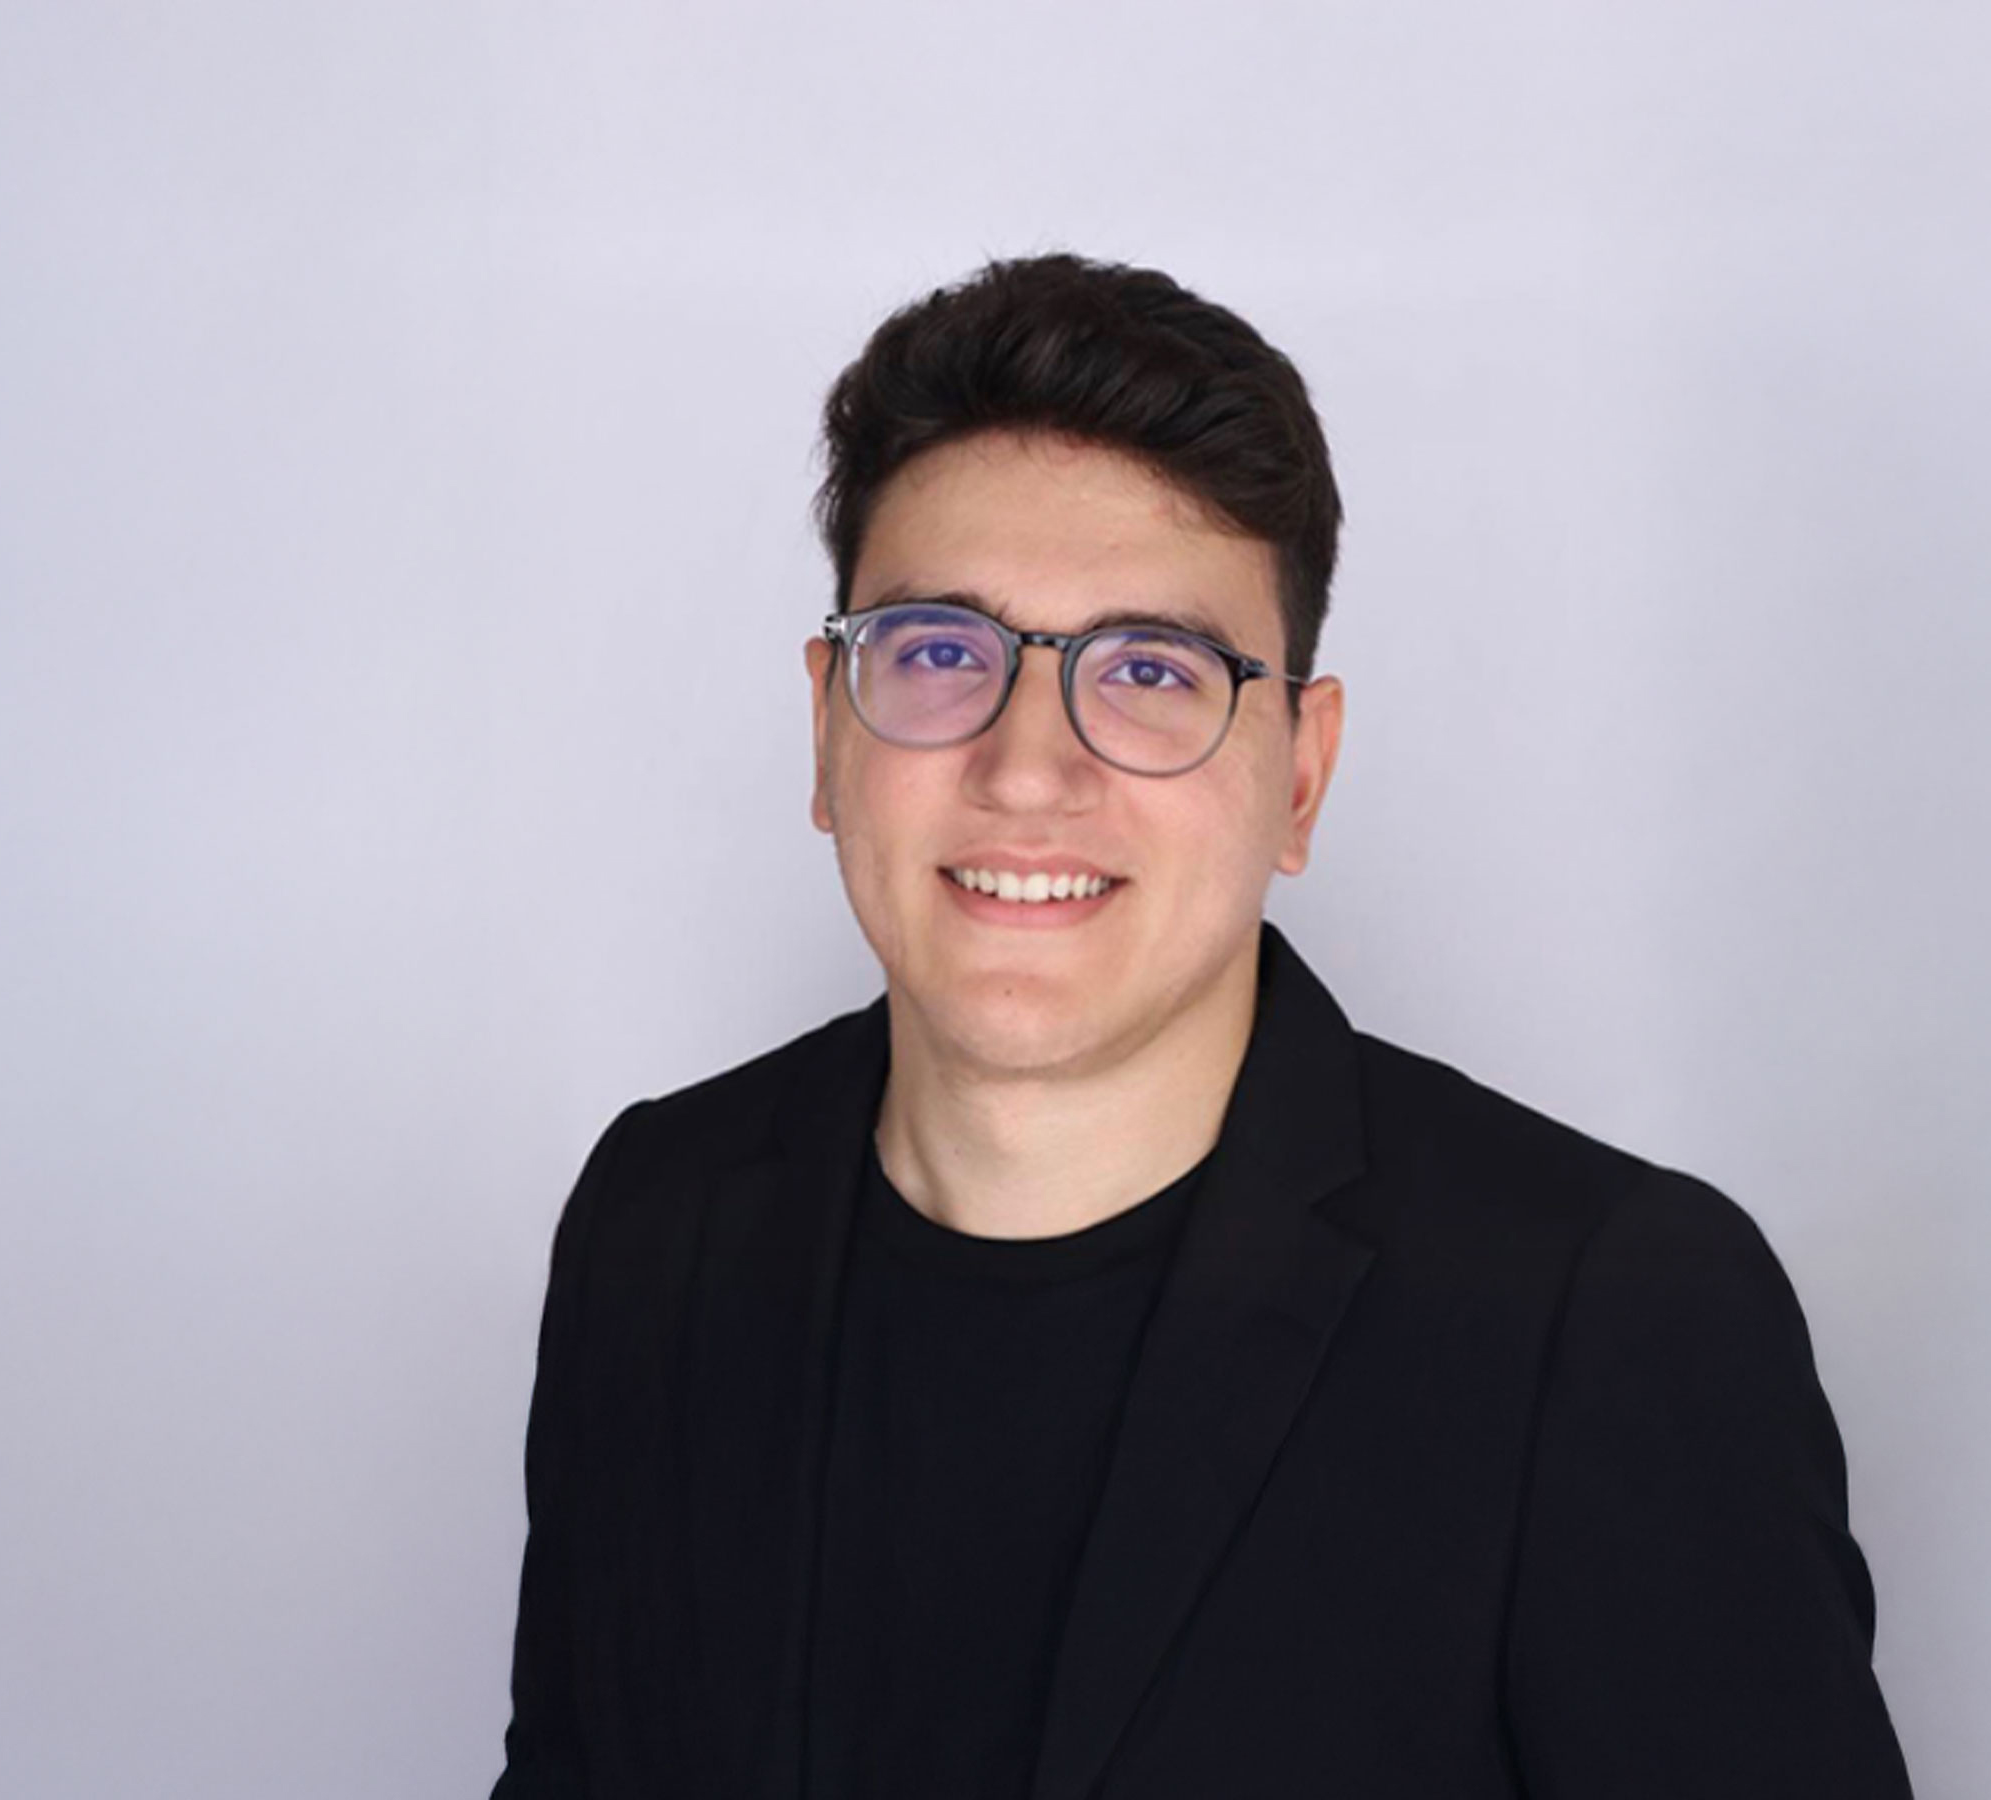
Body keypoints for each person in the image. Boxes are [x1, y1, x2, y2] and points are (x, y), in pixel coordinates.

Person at [489, 253, 1912, 1799]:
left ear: (1299, 774)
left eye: (1151, 671)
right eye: (943, 651)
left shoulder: (1609, 1314)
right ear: (830, 727)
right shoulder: (657, 1223)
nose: (1028, 768)